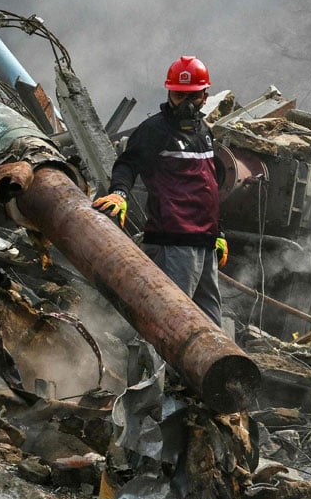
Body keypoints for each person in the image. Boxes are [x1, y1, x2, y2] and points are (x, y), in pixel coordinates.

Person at [92, 55, 228, 325]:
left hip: (205, 244)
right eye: (179, 96)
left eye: (193, 96)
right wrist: (119, 193)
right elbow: (128, 164)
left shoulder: (204, 131)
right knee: (171, 323)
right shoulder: (155, 130)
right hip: (173, 243)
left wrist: (218, 233)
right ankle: (144, 356)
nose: (186, 104)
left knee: (211, 326)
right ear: (169, 93)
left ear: (205, 96)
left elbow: (207, 188)